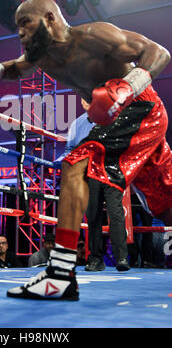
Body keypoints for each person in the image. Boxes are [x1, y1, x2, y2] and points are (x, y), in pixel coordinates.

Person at [0, 0, 172, 300]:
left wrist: (126, 88)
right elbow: (18, 68)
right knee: (164, 203)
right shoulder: (42, 55)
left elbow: (158, 53)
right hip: (114, 123)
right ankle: (60, 276)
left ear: (49, 18)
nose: (19, 32)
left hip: (140, 108)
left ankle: (59, 275)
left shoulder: (95, 36)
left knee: (75, 165)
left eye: (24, 23)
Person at [58, 99, 129, 272]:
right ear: (82, 102)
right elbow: (69, 150)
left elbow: (126, 143)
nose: (88, 101)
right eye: (84, 98)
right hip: (90, 173)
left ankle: (122, 257)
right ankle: (96, 258)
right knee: (93, 215)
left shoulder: (116, 118)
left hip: (112, 170)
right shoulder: (77, 124)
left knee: (116, 212)